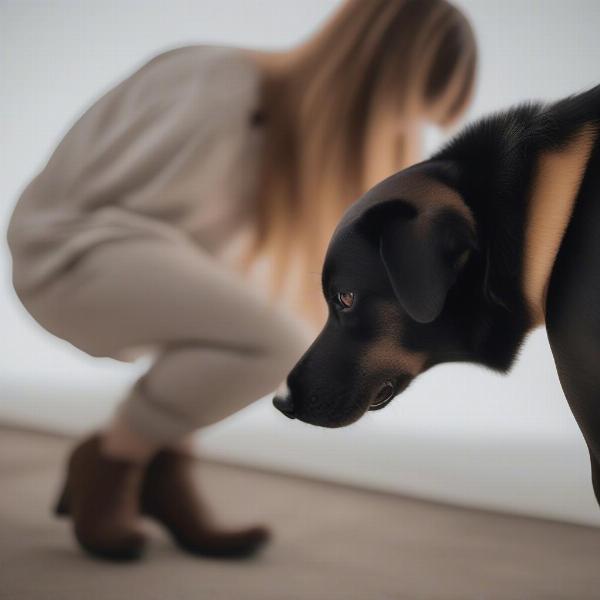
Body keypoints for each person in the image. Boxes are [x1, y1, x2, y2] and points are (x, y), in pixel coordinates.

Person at [6, 0, 477, 561]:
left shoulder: (287, 134)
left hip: (124, 258)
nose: (402, 129)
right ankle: (112, 457)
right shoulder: (222, 80)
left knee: (285, 335)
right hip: (71, 250)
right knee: (278, 341)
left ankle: (162, 468)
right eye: (408, 107)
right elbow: (128, 206)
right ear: (376, 72)